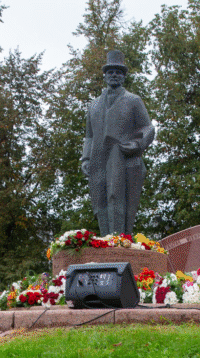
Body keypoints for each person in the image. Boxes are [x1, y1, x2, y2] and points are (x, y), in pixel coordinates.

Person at [81, 50, 155, 236]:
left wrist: (137, 145)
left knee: (118, 199)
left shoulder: (133, 101)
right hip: (98, 158)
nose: (114, 75)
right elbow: (89, 135)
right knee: (99, 202)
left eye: (119, 72)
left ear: (123, 76)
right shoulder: (94, 105)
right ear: (105, 75)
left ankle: (119, 241)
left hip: (121, 156)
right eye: (111, 71)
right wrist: (85, 158)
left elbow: (148, 128)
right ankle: (107, 240)